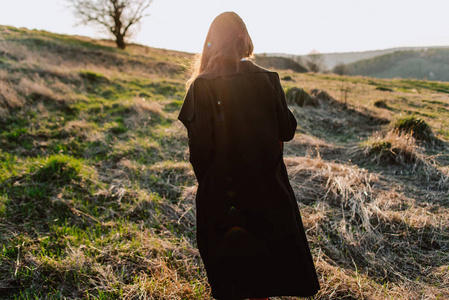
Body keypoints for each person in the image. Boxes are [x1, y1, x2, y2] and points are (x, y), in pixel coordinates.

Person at [178, 11, 320, 300]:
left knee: (233, 278)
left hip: (221, 194)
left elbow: (199, 151)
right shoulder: (267, 79)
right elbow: (287, 130)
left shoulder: (201, 86)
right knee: (262, 276)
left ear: (211, 43)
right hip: (268, 190)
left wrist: (211, 183)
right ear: (244, 40)